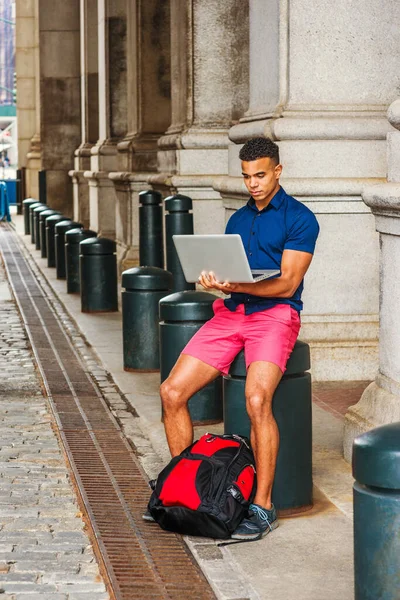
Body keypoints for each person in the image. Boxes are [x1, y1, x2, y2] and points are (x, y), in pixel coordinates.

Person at [146, 137, 319, 541]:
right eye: (246, 177)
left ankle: (262, 506)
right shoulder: (237, 221)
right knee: (171, 392)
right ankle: (187, 492)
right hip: (231, 314)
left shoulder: (301, 218)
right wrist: (215, 281)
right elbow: (229, 274)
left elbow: (287, 283)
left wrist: (238, 284)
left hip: (275, 316)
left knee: (257, 400)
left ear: (278, 170)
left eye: (260, 175)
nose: (253, 184)